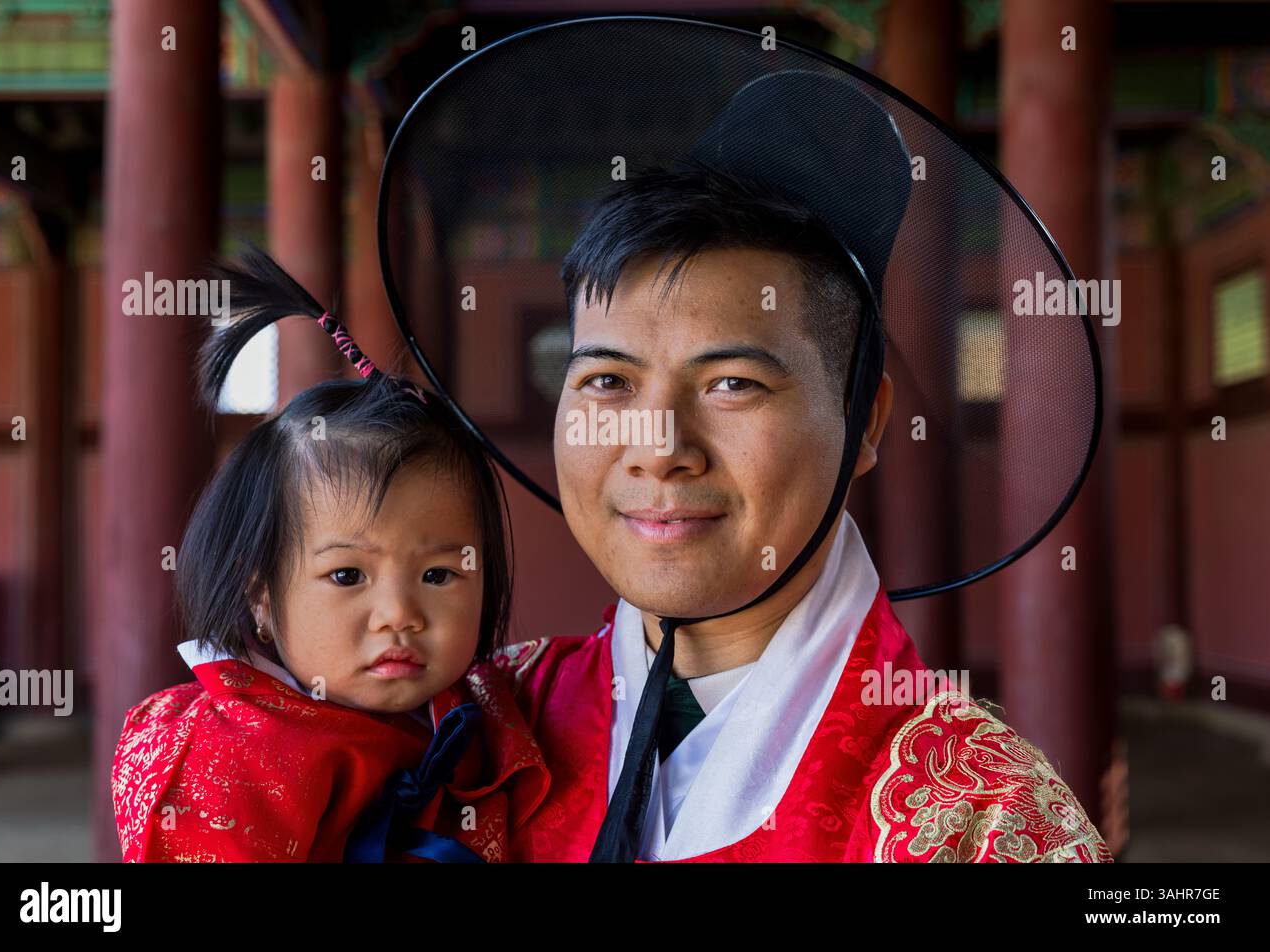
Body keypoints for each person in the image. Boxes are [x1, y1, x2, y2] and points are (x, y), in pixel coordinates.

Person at [375, 18, 1111, 862]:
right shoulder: (470, 727)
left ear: (865, 421)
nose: (659, 448)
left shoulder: (982, 816)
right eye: (607, 382)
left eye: (732, 384)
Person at [110, 249, 546, 863]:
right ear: (261, 595)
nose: (399, 613)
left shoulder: (487, 712)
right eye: (347, 574)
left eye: (439, 574)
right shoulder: (231, 757)